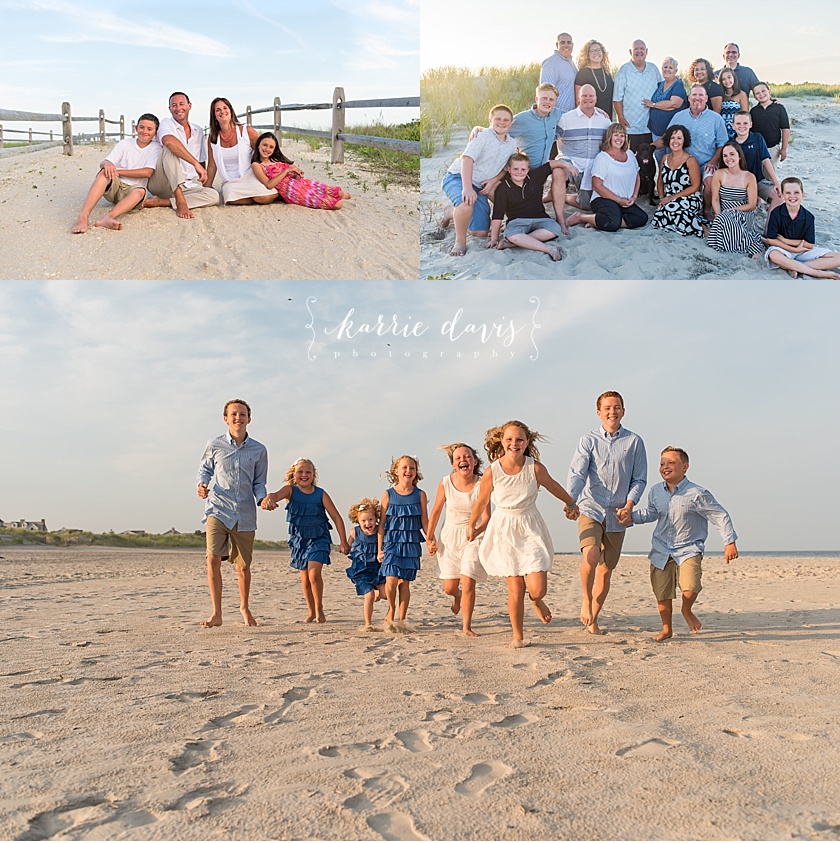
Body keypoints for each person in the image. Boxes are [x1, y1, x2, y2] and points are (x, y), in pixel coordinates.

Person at [468, 420, 576, 649]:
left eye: (519, 440)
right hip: (503, 529)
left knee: (537, 588)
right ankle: (518, 636)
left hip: (529, 527)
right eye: (509, 439)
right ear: (502, 441)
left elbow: (553, 486)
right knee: (516, 587)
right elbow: (481, 500)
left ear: (527, 442)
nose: (514, 444)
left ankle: (536, 601)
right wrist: (471, 524)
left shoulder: (534, 468)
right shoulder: (493, 471)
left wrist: (570, 502)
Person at [620, 446, 738, 642]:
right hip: (661, 549)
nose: (665, 467)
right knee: (662, 593)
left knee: (690, 587)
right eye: (662, 464)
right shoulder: (656, 491)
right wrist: (629, 517)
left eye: (671, 463)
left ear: (685, 467)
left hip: (689, 548)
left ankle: (686, 609)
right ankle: (667, 629)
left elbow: (719, 515)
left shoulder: (697, 493)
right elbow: (651, 513)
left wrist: (729, 542)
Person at [565, 392, 647, 635]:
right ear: (599, 412)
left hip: (619, 513)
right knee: (590, 555)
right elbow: (577, 473)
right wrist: (571, 501)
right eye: (607, 408)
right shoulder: (588, 440)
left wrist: (630, 504)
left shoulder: (634, 442)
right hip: (590, 507)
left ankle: (594, 618)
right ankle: (585, 601)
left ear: (623, 410)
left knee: (605, 569)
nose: (612, 411)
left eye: (617, 407)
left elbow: (639, 478)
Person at [196, 399, 267, 628]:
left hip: (245, 512)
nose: (238, 418)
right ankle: (217, 613)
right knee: (212, 558)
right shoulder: (215, 444)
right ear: (226, 418)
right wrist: (202, 484)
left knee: (243, 567)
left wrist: (263, 499)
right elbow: (205, 469)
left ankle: (244, 607)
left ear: (249, 418)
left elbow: (259, 482)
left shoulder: (259, 450)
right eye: (233, 414)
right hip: (217, 508)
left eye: (242, 414)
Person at [261, 458, 349, 624]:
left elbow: (336, 517)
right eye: (300, 471)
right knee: (305, 579)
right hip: (299, 540)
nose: (304, 475)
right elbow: (275, 495)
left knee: (314, 574)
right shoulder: (290, 490)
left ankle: (319, 609)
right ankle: (311, 611)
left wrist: (343, 541)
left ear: (313, 475)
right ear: (294, 474)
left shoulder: (320, 493)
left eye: (308, 472)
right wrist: (269, 499)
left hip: (319, 538)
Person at [468, 85, 570, 226]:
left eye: (551, 99)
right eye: (544, 98)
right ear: (536, 99)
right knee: (499, 193)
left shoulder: (557, 114)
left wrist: (597, 110)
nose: (547, 102)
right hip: (522, 170)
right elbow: (501, 127)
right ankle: (511, 214)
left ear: (555, 102)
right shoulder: (523, 119)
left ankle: (560, 219)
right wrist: (480, 129)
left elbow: (576, 114)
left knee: (557, 174)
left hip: (540, 172)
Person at [427, 443, 490, 637]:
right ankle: (457, 597)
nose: (463, 460)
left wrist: (476, 529)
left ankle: (466, 626)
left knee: (469, 580)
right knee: (449, 588)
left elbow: (487, 517)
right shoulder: (445, 483)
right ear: (454, 464)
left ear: (475, 461)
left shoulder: (482, 483)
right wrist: (429, 538)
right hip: (449, 537)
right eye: (458, 458)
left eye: (467, 457)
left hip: (473, 537)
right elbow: (436, 511)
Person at [440, 104, 517, 257]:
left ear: (511, 123)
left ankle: (452, 213)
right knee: (466, 202)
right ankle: (460, 242)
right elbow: (467, 159)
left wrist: (494, 180)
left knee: (479, 232)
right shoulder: (483, 136)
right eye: (498, 119)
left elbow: (506, 167)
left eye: (506, 120)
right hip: (458, 177)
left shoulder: (512, 144)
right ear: (490, 120)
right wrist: (467, 188)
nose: (502, 122)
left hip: (480, 185)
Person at [71, 113, 161, 233]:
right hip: (115, 187)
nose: (145, 131)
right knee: (104, 172)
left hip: (132, 192)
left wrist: (117, 171)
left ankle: (108, 217)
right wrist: (107, 164)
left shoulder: (156, 148)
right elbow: (105, 162)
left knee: (140, 192)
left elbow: (148, 172)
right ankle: (83, 216)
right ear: (136, 128)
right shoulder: (125, 143)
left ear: (155, 132)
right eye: (141, 127)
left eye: (149, 129)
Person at [656, 85, 728, 219]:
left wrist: (713, 161)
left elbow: (722, 143)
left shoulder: (716, 119)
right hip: (684, 164)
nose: (697, 98)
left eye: (701, 95)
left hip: (706, 162)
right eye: (694, 95)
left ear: (706, 99)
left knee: (709, 182)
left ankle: (706, 210)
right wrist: (650, 147)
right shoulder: (679, 116)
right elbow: (666, 138)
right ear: (689, 98)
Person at [486, 153, 577, 258]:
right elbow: (497, 215)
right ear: (508, 169)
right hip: (517, 221)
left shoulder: (534, 177)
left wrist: (568, 165)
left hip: (541, 218)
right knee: (511, 235)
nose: (519, 172)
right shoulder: (503, 188)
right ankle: (549, 249)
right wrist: (494, 239)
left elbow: (551, 164)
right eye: (515, 169)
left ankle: (515, 244)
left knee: (555, 229)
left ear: (528, 170)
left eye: (523, 169)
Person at [145, 92, 219, 218]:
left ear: (189, 105)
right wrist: (195, 163)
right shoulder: (166, 123)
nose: (178, 108)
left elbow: (201, 159)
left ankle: (164, 202)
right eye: (174, 105)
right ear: (170, 109)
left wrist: (203, 181)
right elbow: (168, 141)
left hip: (187, 184)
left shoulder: (198, 131)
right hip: (162, 181)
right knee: (170, 148)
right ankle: (180, 201)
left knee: (214, 196)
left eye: (181, 104)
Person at [378, 455, 430, 632]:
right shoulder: (388, 494)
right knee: (391, 581)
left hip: (411, 543)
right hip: (391, 543)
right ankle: (391, 610)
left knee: (404, 583)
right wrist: (379, 548)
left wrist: (430, 539)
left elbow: (425, 521)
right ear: (396, 471)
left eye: (412, 468)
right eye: (404, 468)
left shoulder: (420, 494)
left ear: (416, 472)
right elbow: (381, 524)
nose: (408, 471)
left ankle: (402, 619)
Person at [566, 123, 647, 232]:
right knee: (613, 222)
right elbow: (597, 185)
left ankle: (598, 221)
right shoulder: (603, 157)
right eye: (616, 135)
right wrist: (618, 200)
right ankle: (581, 217)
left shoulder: (630, 154)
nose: (619, 138)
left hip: (624, 200)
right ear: (609, 137)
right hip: (604, 198)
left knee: (642, 218)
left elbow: (637, 176)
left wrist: (634, 196)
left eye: (622, 135)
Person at [205, 97, 277, 206]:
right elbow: (211, 165)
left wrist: (279, 169)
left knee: (264, 198)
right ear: (214, 115)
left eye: (225, 108)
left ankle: (270, 194)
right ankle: (254, 197)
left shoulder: (246, 131)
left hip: (251, 176)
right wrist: (206, 187)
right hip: (231, 182)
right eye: (218, 110)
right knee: (230, 198)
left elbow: (264, 152)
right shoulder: (213, 139)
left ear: (231, 111)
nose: (222, 112)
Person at [763, 177, 840, 279]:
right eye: (788, 193)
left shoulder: (809, 217)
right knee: (773, 255)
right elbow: (771, 240)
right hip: (782, 250)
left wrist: (784, 240)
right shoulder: (776, 213)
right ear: (782, 195)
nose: (792, 196)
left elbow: (809, 245)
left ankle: (792, 267)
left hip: (802, 251)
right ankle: (817, 273)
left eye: (796, 192)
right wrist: (792, 249)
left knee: (838, 257)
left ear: (803, 195)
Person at [252, 132, 349, 210]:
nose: (267, 149)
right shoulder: (257, 165)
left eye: (271, 147)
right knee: (337, 205)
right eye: (265, 145)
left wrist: (297, 174)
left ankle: (342, 195)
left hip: (303, 183)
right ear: (258, 145)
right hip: (293, 192)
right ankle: (337, 198)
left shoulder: (277, 160)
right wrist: (286, 172)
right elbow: (269, 185)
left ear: (274, 150)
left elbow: (294, 173)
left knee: (339, 193)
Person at [556, 84, 612, 211]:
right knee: (558, 171)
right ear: (578, 99)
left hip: (593, 166)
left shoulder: (604, 120)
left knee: (587, 206)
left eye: (591, 96)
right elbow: (549, 136)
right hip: (571, 161)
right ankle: (558, 215)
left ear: (596, 99)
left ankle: (564, 197)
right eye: (584, 96)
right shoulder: (565, 118)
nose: (588, 98)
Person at [705, 141, 764, 257]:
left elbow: (751, 205)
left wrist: (731, 211)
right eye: (725, 156)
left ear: (739, 156)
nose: (728, 158)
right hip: (723, 214)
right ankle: (746, 245)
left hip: (743, 213)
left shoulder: (749, 177)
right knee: (724, 221)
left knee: (726, 222)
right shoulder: (719, 174)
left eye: (732, 154)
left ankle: (752, 246)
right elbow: (715, 199)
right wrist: (718, 215)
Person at [650, 124, 704, 237]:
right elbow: (660, 180)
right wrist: (661, 198)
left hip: (690, 197)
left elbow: (695, 186)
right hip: (669, 199)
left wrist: (672, 198)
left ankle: (702, 228)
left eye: (679, 138)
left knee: (671, 210)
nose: (675, 141)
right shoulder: (665, 158)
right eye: (672, 138)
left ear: (684, 141)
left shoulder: (690, 160)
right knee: (659, 216)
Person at [613, 39, 662, 152]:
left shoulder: (653, 69)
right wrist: (620, 116)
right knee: (630, 157)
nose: (639, 51)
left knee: (648, 160)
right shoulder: (624, 70)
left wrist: (676, 80)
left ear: (646, 51)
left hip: (650, 125)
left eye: (642, 49)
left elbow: (663, 87)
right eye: (636, 49)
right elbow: (617, 98)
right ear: (630, 52)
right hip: (630, 126)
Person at [345, 498, 387, 631]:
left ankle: (378, 594)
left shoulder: (380, 532)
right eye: (363, 521)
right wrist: (344, 547)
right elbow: (348, 545)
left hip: (377, 569)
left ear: (376, 519)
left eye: (371, 519)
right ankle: (368, 623)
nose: (367, 523)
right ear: (358, 521)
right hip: (362, 570)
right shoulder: (354, 532)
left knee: (385, 595)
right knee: (368, 596)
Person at [731, 111, 782, 217]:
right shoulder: (730, 144)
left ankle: (769, 228)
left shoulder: (757, 138)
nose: (742, 126)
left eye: (745, 123)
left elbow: (766, 160)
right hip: (739, 185)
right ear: (733, 126)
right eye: (738, 123)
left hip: (758, 181)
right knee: (748, 208)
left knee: (779, 197)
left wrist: (776, 182)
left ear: (750, 124)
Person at [643, 57, 687, 165]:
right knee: (660, 162)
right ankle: (662, 181)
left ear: (676, 71)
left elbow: (675, 103)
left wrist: (653, 105)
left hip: (672, 132)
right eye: (665, 67)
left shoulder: (678, 84)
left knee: (673, 161)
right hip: (656, 131)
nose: (667, 70)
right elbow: (669, 105)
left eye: (671, 68)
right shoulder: (660, 84)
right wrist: (665, 106)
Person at [750, 82, 790, 166]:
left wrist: (783, 149)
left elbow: (785, 129)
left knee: (770, 175)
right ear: (755, 97)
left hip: (772, 148)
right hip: (756, 148)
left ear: (769, 91)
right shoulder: (753, 111)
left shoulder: (779, 108)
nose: (761, 94)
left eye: (763, 91)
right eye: (757, 93)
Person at [574, 39, 614, 117]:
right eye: (592, 51)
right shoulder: (583, 73)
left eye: (598, 50)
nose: (596, 53)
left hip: (607, 118)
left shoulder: (607, 73)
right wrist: (597, 111)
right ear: (587, 54)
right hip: (590, 117)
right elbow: (579, 101)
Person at [540, 32, 577, 112]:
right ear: (557, 45)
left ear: (572, 45)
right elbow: (546, 91)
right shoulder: (551, 63)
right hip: (556, 115)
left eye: (569, 42)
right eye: (562, 42)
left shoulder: (571, 63)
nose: (566, 45)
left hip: (569, 115)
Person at [718, 69, 749, 139]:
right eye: (723, 79)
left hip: (736, 131)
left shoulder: (741, 94)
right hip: (722, 131)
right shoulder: (720, 95)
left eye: (729, 77)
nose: (727, 81)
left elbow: (745, 114)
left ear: (734, 78)